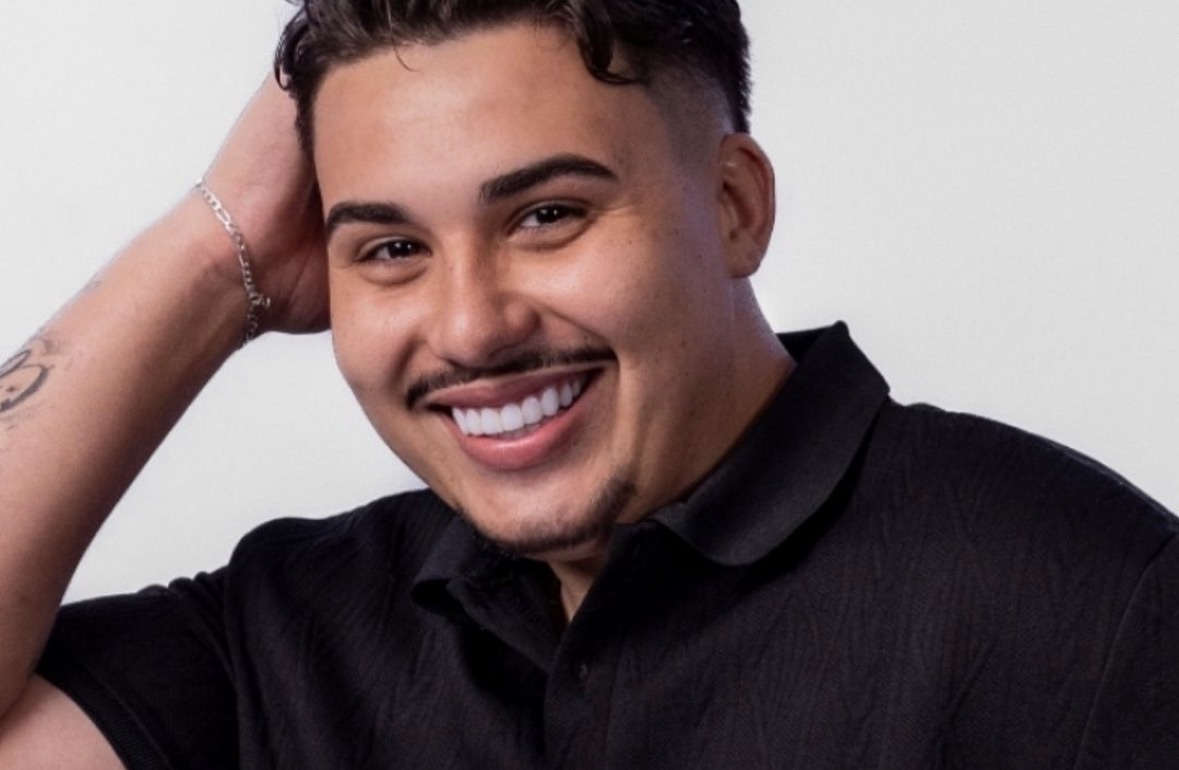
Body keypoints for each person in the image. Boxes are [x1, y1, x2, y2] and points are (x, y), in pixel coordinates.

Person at [0, 0, 1176, 767]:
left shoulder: (1092, 606)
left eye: (547, 215)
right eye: (391, 246)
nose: (471, 326)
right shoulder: (293, 636)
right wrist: (217, 261)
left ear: (735, 207)